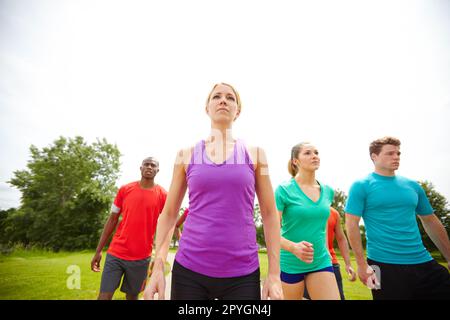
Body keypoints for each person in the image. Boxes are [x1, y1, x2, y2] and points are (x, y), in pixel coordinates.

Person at [143, 83, 283, 300]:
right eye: (216, 96)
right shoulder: (185, 155)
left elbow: (270, 214)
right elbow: (169, 214)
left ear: (238, 111)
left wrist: (274, 274)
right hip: (189, 272)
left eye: (230, 97)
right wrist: (158, 267)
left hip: (242, 275)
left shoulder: (256, 155)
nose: (223, 100)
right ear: (207, 108)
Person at [345, 136, 450, 300]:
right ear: (374, 157)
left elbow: (430, 220)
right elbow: (351, 224)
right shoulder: (361, 185)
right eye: (390, 153)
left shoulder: (413, 186)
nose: (396, 157)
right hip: (383, 265)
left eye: (398, 153)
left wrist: (449, 256)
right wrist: (361, 264)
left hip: (422, 261)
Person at [91, 157, 167, 300]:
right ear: (141, 168)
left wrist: (158, 260)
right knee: (104, 297)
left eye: (153, 165)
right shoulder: (124, 190)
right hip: (116, 254)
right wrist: (99, 250)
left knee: (132, 297)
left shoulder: (163, 195)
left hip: (141, 258)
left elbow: (167, 224)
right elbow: (112, 219)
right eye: (146, 164)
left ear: (158, 170)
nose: (149, 167)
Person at [275, 142, 340, 300]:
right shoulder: (283, 190)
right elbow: (271, 231)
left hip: (320, 260)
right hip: (290, 261)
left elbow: (322, 224)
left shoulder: (328, 191)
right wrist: (293, 247)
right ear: (295, 161)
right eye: (308, 153)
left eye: (316, 152)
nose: (314, 156)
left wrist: (325, 250)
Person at [304, 207, 357, 300]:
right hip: (305, 263)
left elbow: (341, 238)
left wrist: (348, 264)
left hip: (331, 263)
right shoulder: (300, 209)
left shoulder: (334, 213)